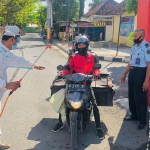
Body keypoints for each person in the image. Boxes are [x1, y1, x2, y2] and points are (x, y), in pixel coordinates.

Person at [0, 25, 45, 149]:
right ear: (12, 39)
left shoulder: (5, 51)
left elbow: (19, 60)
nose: (18, 43)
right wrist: (6, 85)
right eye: (18, 40)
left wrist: (34, 65)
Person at [52, 36, 104, 140]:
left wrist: (96, 73)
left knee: (94, 104)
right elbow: (67, 67)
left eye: (83, 45)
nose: (81, 47)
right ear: (76, 46)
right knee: (64, 102)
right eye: (79, 45)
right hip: (72, 83)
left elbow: (96, 68)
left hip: (86, 83)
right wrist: (64, 73)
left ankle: (98, 127)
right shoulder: (73, 57)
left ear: (86, 45)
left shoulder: (92, 56)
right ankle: (60, 122)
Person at [121, 28, 150, 130]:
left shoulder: (146, 46)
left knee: (140, 97)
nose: (134, 38)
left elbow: (149, 64)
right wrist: (125, 74)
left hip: (141, 73)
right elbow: (131, 61)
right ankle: (134, 115)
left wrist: (146, 81)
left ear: (142, 37)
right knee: (132, 95)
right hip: (132, 72)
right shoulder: (134, 47)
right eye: (134, 36)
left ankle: (142, 121)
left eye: (136, 36)